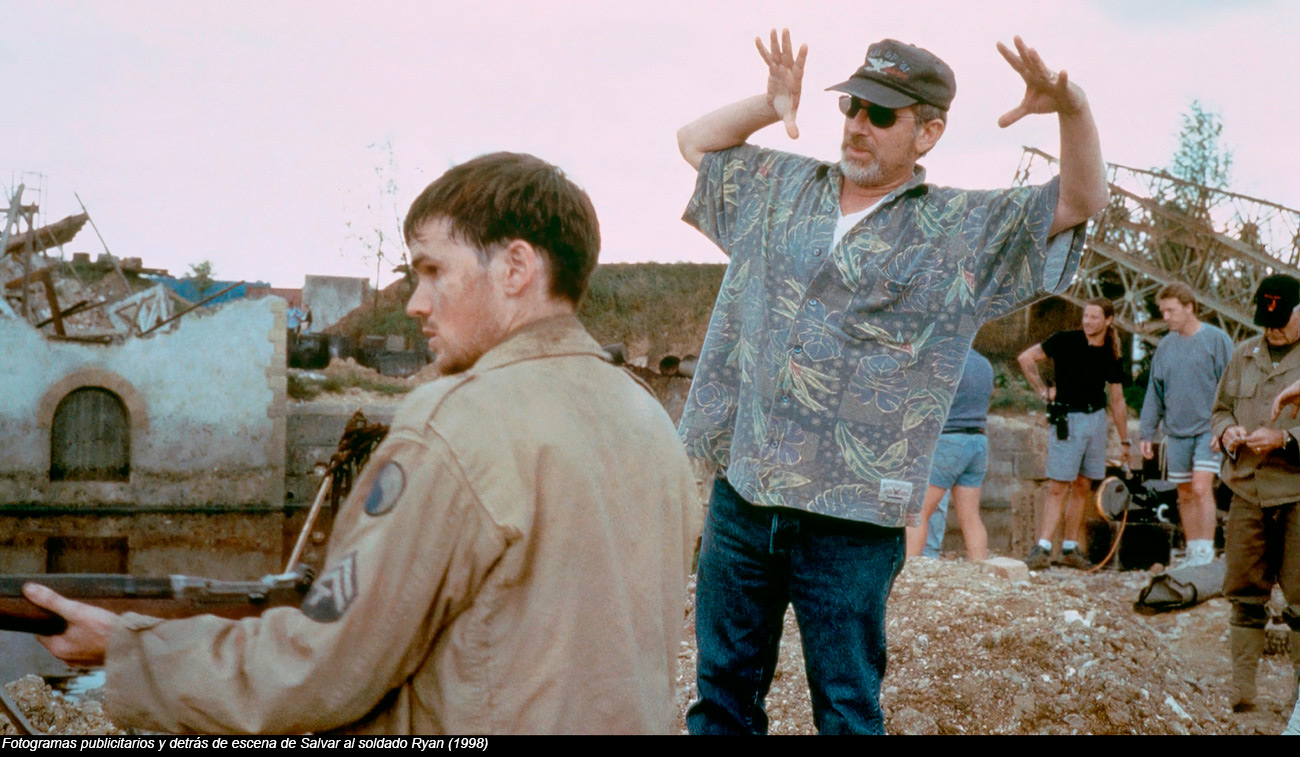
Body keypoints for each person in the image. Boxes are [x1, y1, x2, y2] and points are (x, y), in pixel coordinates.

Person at [23, 152, 700, 735]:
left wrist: (131, 650)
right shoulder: (646, 418)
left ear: (516, 266)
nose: (415, 302)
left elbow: (320, 669)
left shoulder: (456, 423)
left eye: (433, 271)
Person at [676, 29, 1106, 734]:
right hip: (744, 494)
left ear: (928, 132)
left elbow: (1079, 201)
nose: (857, 124)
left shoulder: (958, 228)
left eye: (880, 114)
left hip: (851, 518)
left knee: (847, 709)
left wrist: (1072, 108)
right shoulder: (780, 187)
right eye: (851, 106)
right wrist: (768, 104)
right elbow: (694, 143)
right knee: (721, 698)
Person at [1211, 274, 1300, 714]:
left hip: (1296, 493)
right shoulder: (1243, 354)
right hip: (1246, 490)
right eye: (1266, 321)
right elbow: (1221, 409)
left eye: (1281, 321)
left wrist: (1285, 439)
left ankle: (1299, 702)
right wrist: (1227, 431)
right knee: (1244, 594)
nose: (1273, 330)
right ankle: (1243, 690)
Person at [1018, 298, 1129, 570]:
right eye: (1085, 316)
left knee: (1083, 486)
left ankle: (1070, 548)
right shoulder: (1065, 340)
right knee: (1058, 486)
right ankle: (1042, 547)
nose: (1087, 321)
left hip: (1096, 421)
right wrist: (1043, 391)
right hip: (1068, 418)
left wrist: (1125, 440)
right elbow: (1026, 358)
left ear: (1108, 321)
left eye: (1094, 317)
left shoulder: (1111, 352)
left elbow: (1117, 400)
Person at [1137, 282, 1233, 568]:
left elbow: (1232, 385)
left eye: (1171, 310)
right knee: (1184, 493)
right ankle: (1193, 550)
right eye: (1163, 311)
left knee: (1202, 488)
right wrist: (1147, 432)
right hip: (1176, 432)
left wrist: (1226, 427)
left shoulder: (1217, 340)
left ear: (1189, 307)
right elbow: (1155, 391)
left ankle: (1206, 553)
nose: (1166, 317)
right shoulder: (1165, 346)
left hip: (1208, 429)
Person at [905, 349, 995, 560]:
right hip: (978, 440)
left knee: (917, 513)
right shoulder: (984, 363)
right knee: (971, 518)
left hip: (948, 440)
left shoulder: (943, 359)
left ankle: (910, 570)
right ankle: (983, 571)